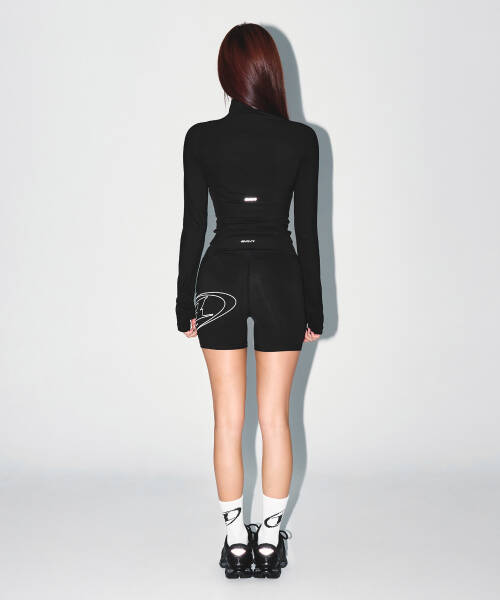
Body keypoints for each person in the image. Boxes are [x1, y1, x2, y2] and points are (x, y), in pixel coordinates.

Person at [175, 23, 324, 579]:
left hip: (219, 278)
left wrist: (183, 302)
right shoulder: (301, 140)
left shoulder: (200, 138)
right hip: (281, 278)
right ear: (270, 72)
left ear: (226, 74)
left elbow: (194, 226)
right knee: (275, 420)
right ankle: (268, 542)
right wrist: (315, 309)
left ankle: (236, 542)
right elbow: (306, 232)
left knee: (227, 420)